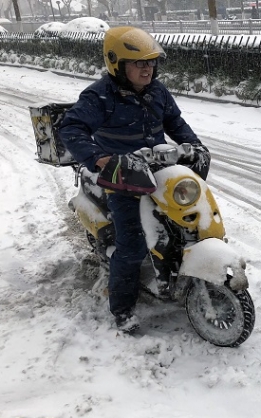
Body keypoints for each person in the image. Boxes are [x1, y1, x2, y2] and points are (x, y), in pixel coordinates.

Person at [59, 27, 210, 334]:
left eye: (151, 62)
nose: (147, 68)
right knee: (132, 246)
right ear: (116, 63)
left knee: (189, 221)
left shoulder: (158, 92)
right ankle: (123, 309)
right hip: (120, 177)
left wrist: (196, 148)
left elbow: (176, 124)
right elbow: (71, 128)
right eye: (138, 62)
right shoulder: (100, 95)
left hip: (155, 169)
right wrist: (101, 159)